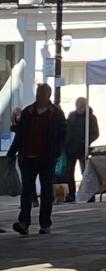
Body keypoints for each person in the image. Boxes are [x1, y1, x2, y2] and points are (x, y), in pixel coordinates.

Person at [7, 83, 68, 235]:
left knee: (46, 191)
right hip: (27, 157)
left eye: (42, 93)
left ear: (48, 95)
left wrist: (56, 151)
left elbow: (63, 134)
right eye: (38, 93)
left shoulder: (56, 113)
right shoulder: (28, 111)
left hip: (46, 158)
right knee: (27, 191)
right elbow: (20, 135)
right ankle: (24, 223)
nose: (39, 96)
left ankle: (45, 223)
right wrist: (11, 153)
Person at [62, 98, 99, 203]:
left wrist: (85, 142)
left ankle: (88, 194)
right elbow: (67, 129)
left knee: (86, 173)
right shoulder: (72, 116)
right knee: (69, 173)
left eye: (82, 106)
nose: (80, 108)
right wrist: (66, 142)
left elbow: (95, 133)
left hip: (83, 149)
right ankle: (71, 194)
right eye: (78, 105)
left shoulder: (90, 118)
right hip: (71, 149)